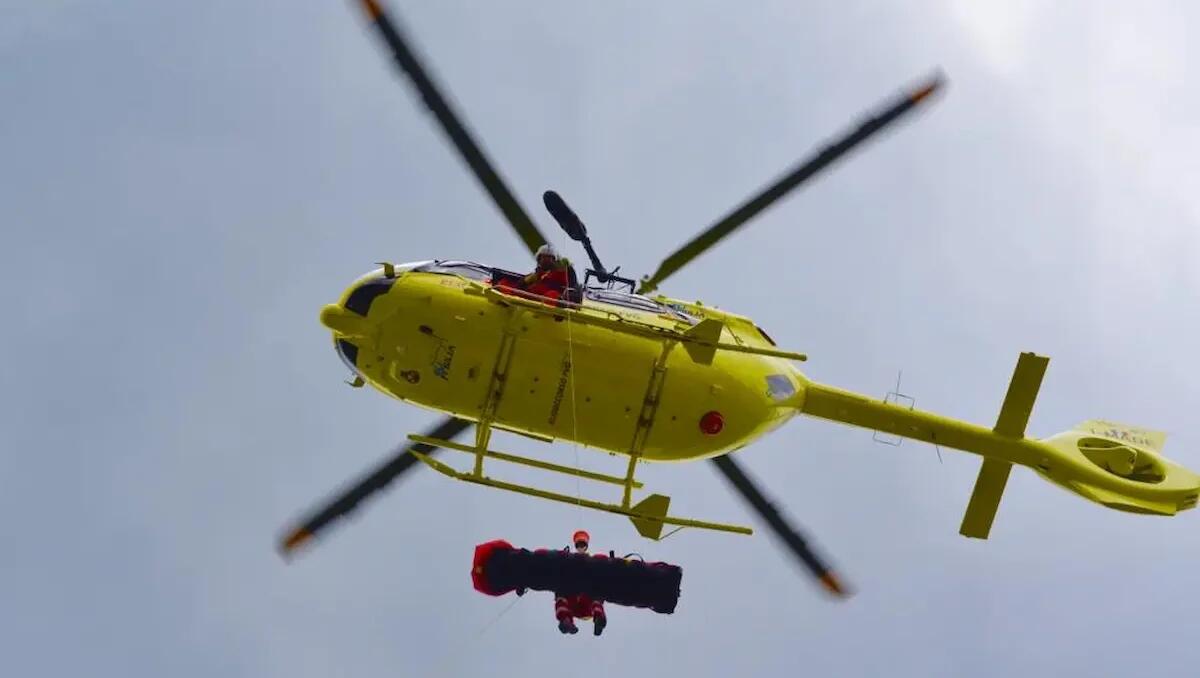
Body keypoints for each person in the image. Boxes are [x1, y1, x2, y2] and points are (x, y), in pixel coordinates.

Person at [553, 530, 607, 636]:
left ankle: (599, 619)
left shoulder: (592, 561)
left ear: (586, 546)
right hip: (574, 603)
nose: (581, 547)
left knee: (596, 595)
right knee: (561, 594)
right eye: (579, 545)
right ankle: (565, 620)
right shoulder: (570, 561)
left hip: (587, 603)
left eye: (583, 545)